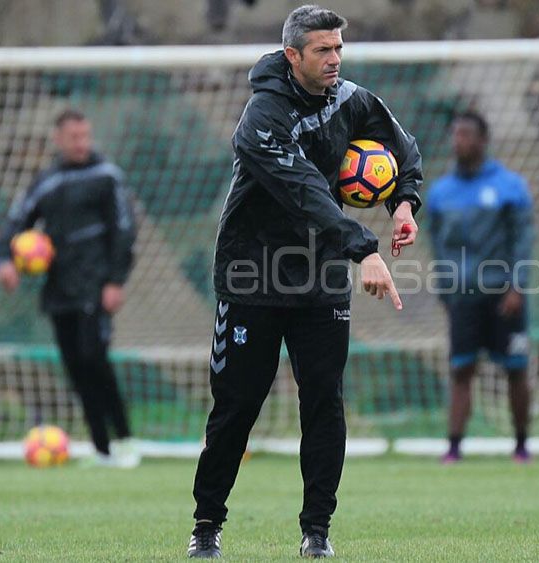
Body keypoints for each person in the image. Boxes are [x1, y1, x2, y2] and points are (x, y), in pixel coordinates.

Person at [187, 5, 422, 559]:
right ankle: (206, 525)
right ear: (293, 55)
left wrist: (404, 203)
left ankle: (317, 532)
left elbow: (402, 148)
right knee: (236, 408)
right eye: (323, 50)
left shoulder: (351, 99)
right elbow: (306, 191)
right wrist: (363, 248)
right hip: (252, 276)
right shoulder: (261, 118)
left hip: (318, 281)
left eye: (339, 48)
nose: (335, 59)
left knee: (324, 401)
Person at [0, 109, 139, 469]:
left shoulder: (106, 176)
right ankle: (102, 449)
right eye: (74, 137)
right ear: (58, 139)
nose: (81, 143)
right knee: (76, 368)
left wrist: (115, 281)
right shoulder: (47, 181)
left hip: (96, 285)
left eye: (86, 136)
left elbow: (124, 230)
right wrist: (4, 260)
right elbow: (16, 221)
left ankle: (125, 441)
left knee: (95, 359)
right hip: (59, 291)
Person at [426, 110, 533, 464]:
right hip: (462, 296)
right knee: (461, 368)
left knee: (516, 368)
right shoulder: (441, 193)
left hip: (504, 294)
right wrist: (445, 288)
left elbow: (522, 241)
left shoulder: (510, 186)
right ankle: (454, 447)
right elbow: (438, 247)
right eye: (455, 135)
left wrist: (517, 286)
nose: (459, 141)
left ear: (483, 140)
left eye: (466, 135)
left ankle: (520, 446)